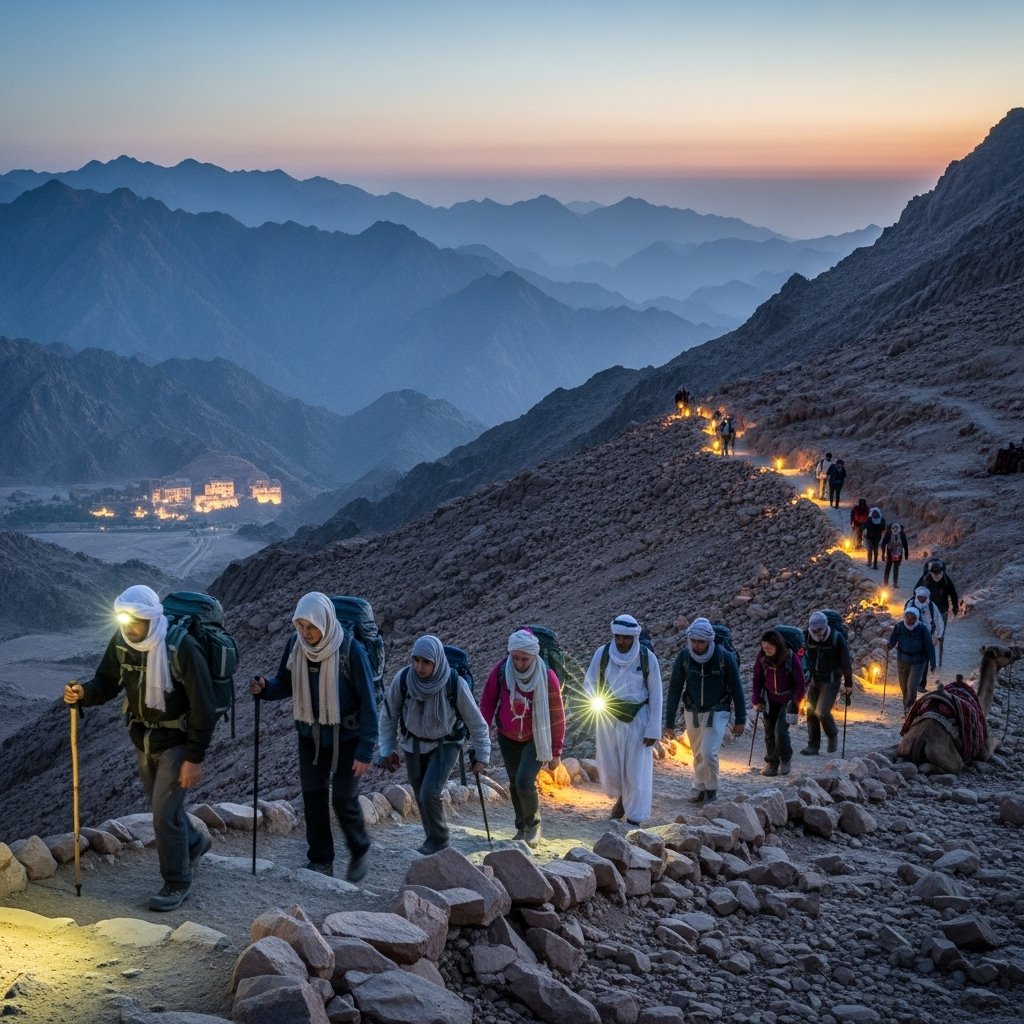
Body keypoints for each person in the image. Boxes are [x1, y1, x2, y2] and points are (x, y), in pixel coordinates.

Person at [63, 585, 217, 911]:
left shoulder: (181, 648)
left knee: (162, 814)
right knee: (165, 810)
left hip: (177, 742)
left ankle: (177, 882)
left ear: (150, 618)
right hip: (143, 739)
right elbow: (106, 682)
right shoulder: (122, 642)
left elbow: (204, 705)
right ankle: (195, 841)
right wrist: (83, 693)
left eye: (135, 620)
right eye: (124, 620)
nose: (129, 627)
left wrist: (194, 757)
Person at [250, 592, 377, 882]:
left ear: (325, 622)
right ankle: (321, 860)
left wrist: (365, 750)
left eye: (311, 627)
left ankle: (360, 847)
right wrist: (264, 688)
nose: (306, 634)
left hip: (349, 736)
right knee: (313, 797)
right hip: (310, 733)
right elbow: (284, 683)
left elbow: (370, 704)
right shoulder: (296, 647)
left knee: (344, 798)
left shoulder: (351, 652)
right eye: (301, 626)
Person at [379, 636, 490, 855]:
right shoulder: (403, 680)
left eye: (426, 662)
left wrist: (482, 755)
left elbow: (476, 722)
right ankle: (432, 839)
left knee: (430, 792)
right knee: (421, 792)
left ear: (437, 662)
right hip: (413, 744)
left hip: (446, 743)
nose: (420, 667)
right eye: (416, 660)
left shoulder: (453, 683)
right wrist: (387, 749)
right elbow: (388, 715)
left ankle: (439, 840)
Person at [479, 628, 565, 847]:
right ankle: (522, 828)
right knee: (514, 784)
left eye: (524, 659)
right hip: (507, 737)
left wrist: (556, 751)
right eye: (515, 658)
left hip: (535, 737)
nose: (519, 663)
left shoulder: (547, 676)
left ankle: (533, 826)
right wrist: (482, 731)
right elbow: (488, 701)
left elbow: (557, 714)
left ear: (534, 656)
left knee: (524, 781)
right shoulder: (501, 670)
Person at [582, 615, 663, 825]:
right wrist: (593, 701)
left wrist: (653, 729)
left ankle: (635, 816)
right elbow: (590, 682)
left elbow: (656, 694)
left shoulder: (647, 658)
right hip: (609, 718)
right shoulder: (603, 654)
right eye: (618, 637)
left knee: (636, 770)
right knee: (611, 768)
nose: (621, 642)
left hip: (639, 720)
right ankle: (620, 798)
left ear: (634, 637)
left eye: (626, 638)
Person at [664, 618, 745, 805]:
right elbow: (675, 687)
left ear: (710, 640)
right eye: (693, 641)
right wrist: (668, 723)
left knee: (709, 752)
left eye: (701, 641)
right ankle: (699, 785)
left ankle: (711, 789)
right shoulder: (684, 657)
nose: (697, 645)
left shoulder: (724, 657)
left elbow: (736, 688)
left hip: (717, 710)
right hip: (692, 711)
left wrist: (740, 719)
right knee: (697, 752)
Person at [751, 629, 806, 776]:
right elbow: (757, 678)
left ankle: (785, 758)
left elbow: (800, 683)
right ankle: (772, 763)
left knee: (780, 731)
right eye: (764, 648)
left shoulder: (790, 657)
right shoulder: (762, 657)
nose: (766, 650)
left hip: (787, 700)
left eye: (769, 648)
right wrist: (756, 699)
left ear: (777, 645)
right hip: (769, 698)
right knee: (769, 732)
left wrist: (795, 702)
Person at [802, 611, 854, 755]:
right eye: (814, 630)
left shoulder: (836, 638)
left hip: (831, 680)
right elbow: (800, 654)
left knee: (822, 711)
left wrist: (848, 684)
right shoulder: (806, 636)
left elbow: (845, 662)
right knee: (811, 711)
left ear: (825, 626)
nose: (817, 633)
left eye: (819, 630)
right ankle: (813, 745)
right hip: (814, 678)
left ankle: (832, 734)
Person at [887, 606, 936, 711]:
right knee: (904, 686)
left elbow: (929, 646)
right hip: (903, 660)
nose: (910, 620)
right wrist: (889, 646)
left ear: (917, 618)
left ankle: (909, 708)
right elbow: (893, 639)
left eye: (913, 618)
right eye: (908, 617)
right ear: (905, 616)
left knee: (912, 685)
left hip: (918, 661)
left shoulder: (922, 629)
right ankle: (906, 704)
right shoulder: (899, 627)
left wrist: (933, 663)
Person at [904, 587, 945, 690]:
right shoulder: (910, 603)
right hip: (912, 635)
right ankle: (910, 681)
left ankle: (922, 684)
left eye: (924, 597)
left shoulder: (931, 606)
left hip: (927, 635)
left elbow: (938, 619)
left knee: (925, 659)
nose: (922, 599)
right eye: (920, 597)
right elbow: (904, 618)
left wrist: (939, 635)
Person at [914, 559, 960, 631]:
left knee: (940, 631)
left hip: (942, 609)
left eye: (938, 572)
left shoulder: (946, 581)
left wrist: (955, 606)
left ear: (942, 571)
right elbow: (916, 592)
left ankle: (938, 641)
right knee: (928, 631)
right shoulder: (925, 579)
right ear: (931, 572)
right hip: (928, 609)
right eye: (934, 573)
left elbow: (953, 593)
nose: (936, 575)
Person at [882, 522, 909, 586]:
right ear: (892, 529)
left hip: (899, 553)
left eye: (896, 529)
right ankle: (886, 583)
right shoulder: (888, 533)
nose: (895, 530)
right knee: (888, 567)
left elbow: (905, 544)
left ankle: (895, 583)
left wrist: (906, 554)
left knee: (896, 568)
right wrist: (883, 554)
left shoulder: (902, 534)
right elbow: (883, 543)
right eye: (893, 529)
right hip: (889, 552)